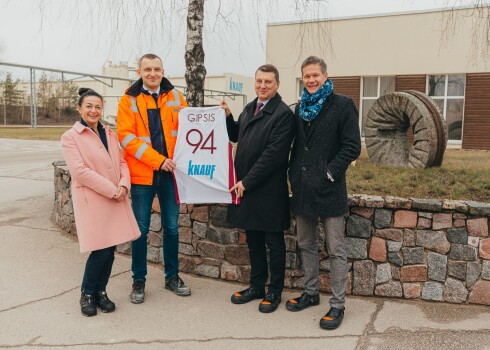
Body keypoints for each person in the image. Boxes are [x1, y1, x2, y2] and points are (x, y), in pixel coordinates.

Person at [287, 56, 361, 329]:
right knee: (306, 243)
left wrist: (329, 173)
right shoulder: (299, 109)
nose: (311, 80)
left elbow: (352, 146)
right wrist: (292, 174)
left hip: (330, 189)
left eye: (316, 75)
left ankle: (338, 305)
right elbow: (296, 146)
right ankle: (311, 292)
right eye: (306, 76)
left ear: (326, 75)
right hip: (303, 189)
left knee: (336, 249)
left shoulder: (343, 105)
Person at [221, 64, 295, 313]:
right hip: (248, 186)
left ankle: (274, 291)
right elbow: (238, 134)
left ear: (277, 85)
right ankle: (256, 286)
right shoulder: (251, 107)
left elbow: (273, 156)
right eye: (259, 81)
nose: (263, 86)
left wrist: (247, 181)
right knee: (253, 240)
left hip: (268, 189)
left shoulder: (283, 114)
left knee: (273, 242)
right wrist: (228, 117)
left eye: (268, 82)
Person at [117, 53, 191, 304]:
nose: (152, 73)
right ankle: (139, 280)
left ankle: (172, 277)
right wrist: (158, 160)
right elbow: (127, 139)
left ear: (163, 70)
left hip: (171, 175)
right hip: (143, 175)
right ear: (139, 71)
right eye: (147, 69)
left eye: (157, 69)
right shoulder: (128, 101)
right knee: (141, 230)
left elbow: (192, 129)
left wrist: (218, 116)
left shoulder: (177, 97)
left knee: (171, 228)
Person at [61, 88, 141, 317]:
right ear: (79, 108)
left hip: (116, 197)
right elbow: (79, 171)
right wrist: (111, 189)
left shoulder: (109, 133)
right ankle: (87, 294)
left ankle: (100, 292)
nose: (93, 111)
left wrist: (124, 185)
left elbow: (123, 162)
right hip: (95, 199)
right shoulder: (70, 137)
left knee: (111, 248)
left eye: (97, 107)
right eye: (89, 106)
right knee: (100, 250)